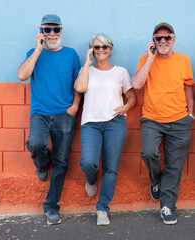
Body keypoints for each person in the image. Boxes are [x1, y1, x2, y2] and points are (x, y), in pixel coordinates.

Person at [17, 14, 81, 225]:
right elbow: (22, 75)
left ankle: (51, 206)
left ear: (61, 31)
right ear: (41, 32)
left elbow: (78, 83)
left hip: (65, 114)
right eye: (47, 30)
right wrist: (37, 49)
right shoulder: (33, 53)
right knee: (35, 143)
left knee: (62, 163)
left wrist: (74, 107)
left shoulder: (71, 54)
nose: (52, 34)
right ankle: (42, 164)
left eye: (56, 30)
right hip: (40, 113)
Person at [132, 22, 194, 225]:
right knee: (150, 152)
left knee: (174, 166)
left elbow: (188, 88)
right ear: (153, 41)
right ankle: (155, 178)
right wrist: (150, 58)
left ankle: (167, 206)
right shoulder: (145, 59)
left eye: (168, 37)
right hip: (152, 119)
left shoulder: (184, 61)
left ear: (174, 39)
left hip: (179, 120)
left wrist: (190, 114)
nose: (163, 41)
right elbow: (137, 84)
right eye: (159, 38)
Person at [74, 33, 136, 225]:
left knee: (111, 168)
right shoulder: (87, 71)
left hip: (115, 123)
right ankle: (91, 180)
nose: (101, 50)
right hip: (91, 123)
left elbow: (132, 97)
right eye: (96, 47)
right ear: (91, 49)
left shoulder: (121, 72)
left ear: (110, 49)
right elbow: (80, 88)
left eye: (104, 47)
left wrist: (126, 107)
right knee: (88, 162)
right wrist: (86, 63)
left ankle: (102, 208)